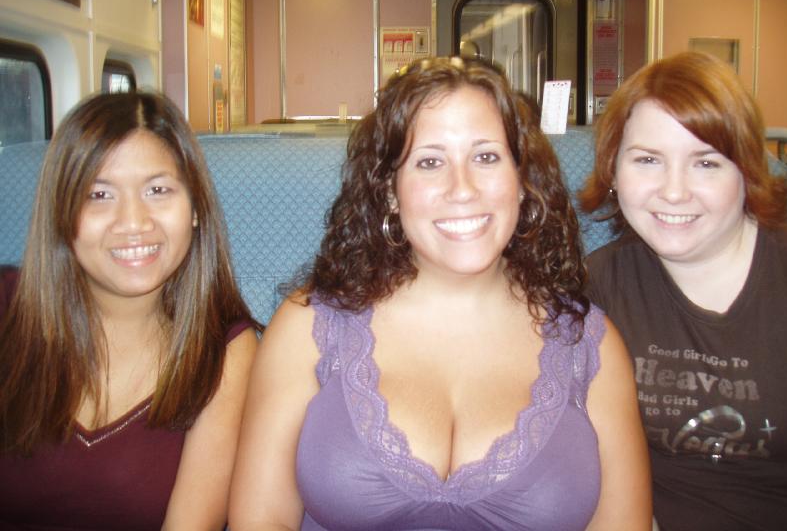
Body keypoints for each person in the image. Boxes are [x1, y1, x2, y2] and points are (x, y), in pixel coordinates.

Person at [229, 56, 651, 530]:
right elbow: (261, 519)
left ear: (521, 181)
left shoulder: (590, 348)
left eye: (486, 157)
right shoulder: (309, 327)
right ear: (390, 191)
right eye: (430, 162)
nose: (462, 189)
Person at [0, 92, 259, 530]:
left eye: (157, 190)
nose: (134, 222)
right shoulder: (7, 308)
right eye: (99, 194)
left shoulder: (223, 352)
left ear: (195, 208)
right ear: (62, 213)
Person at [580, 51, 787, 530]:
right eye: (648, 160)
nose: (675, 192)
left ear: (746, 171)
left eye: (706, 163)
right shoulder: (596, 288)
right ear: (614, 170)